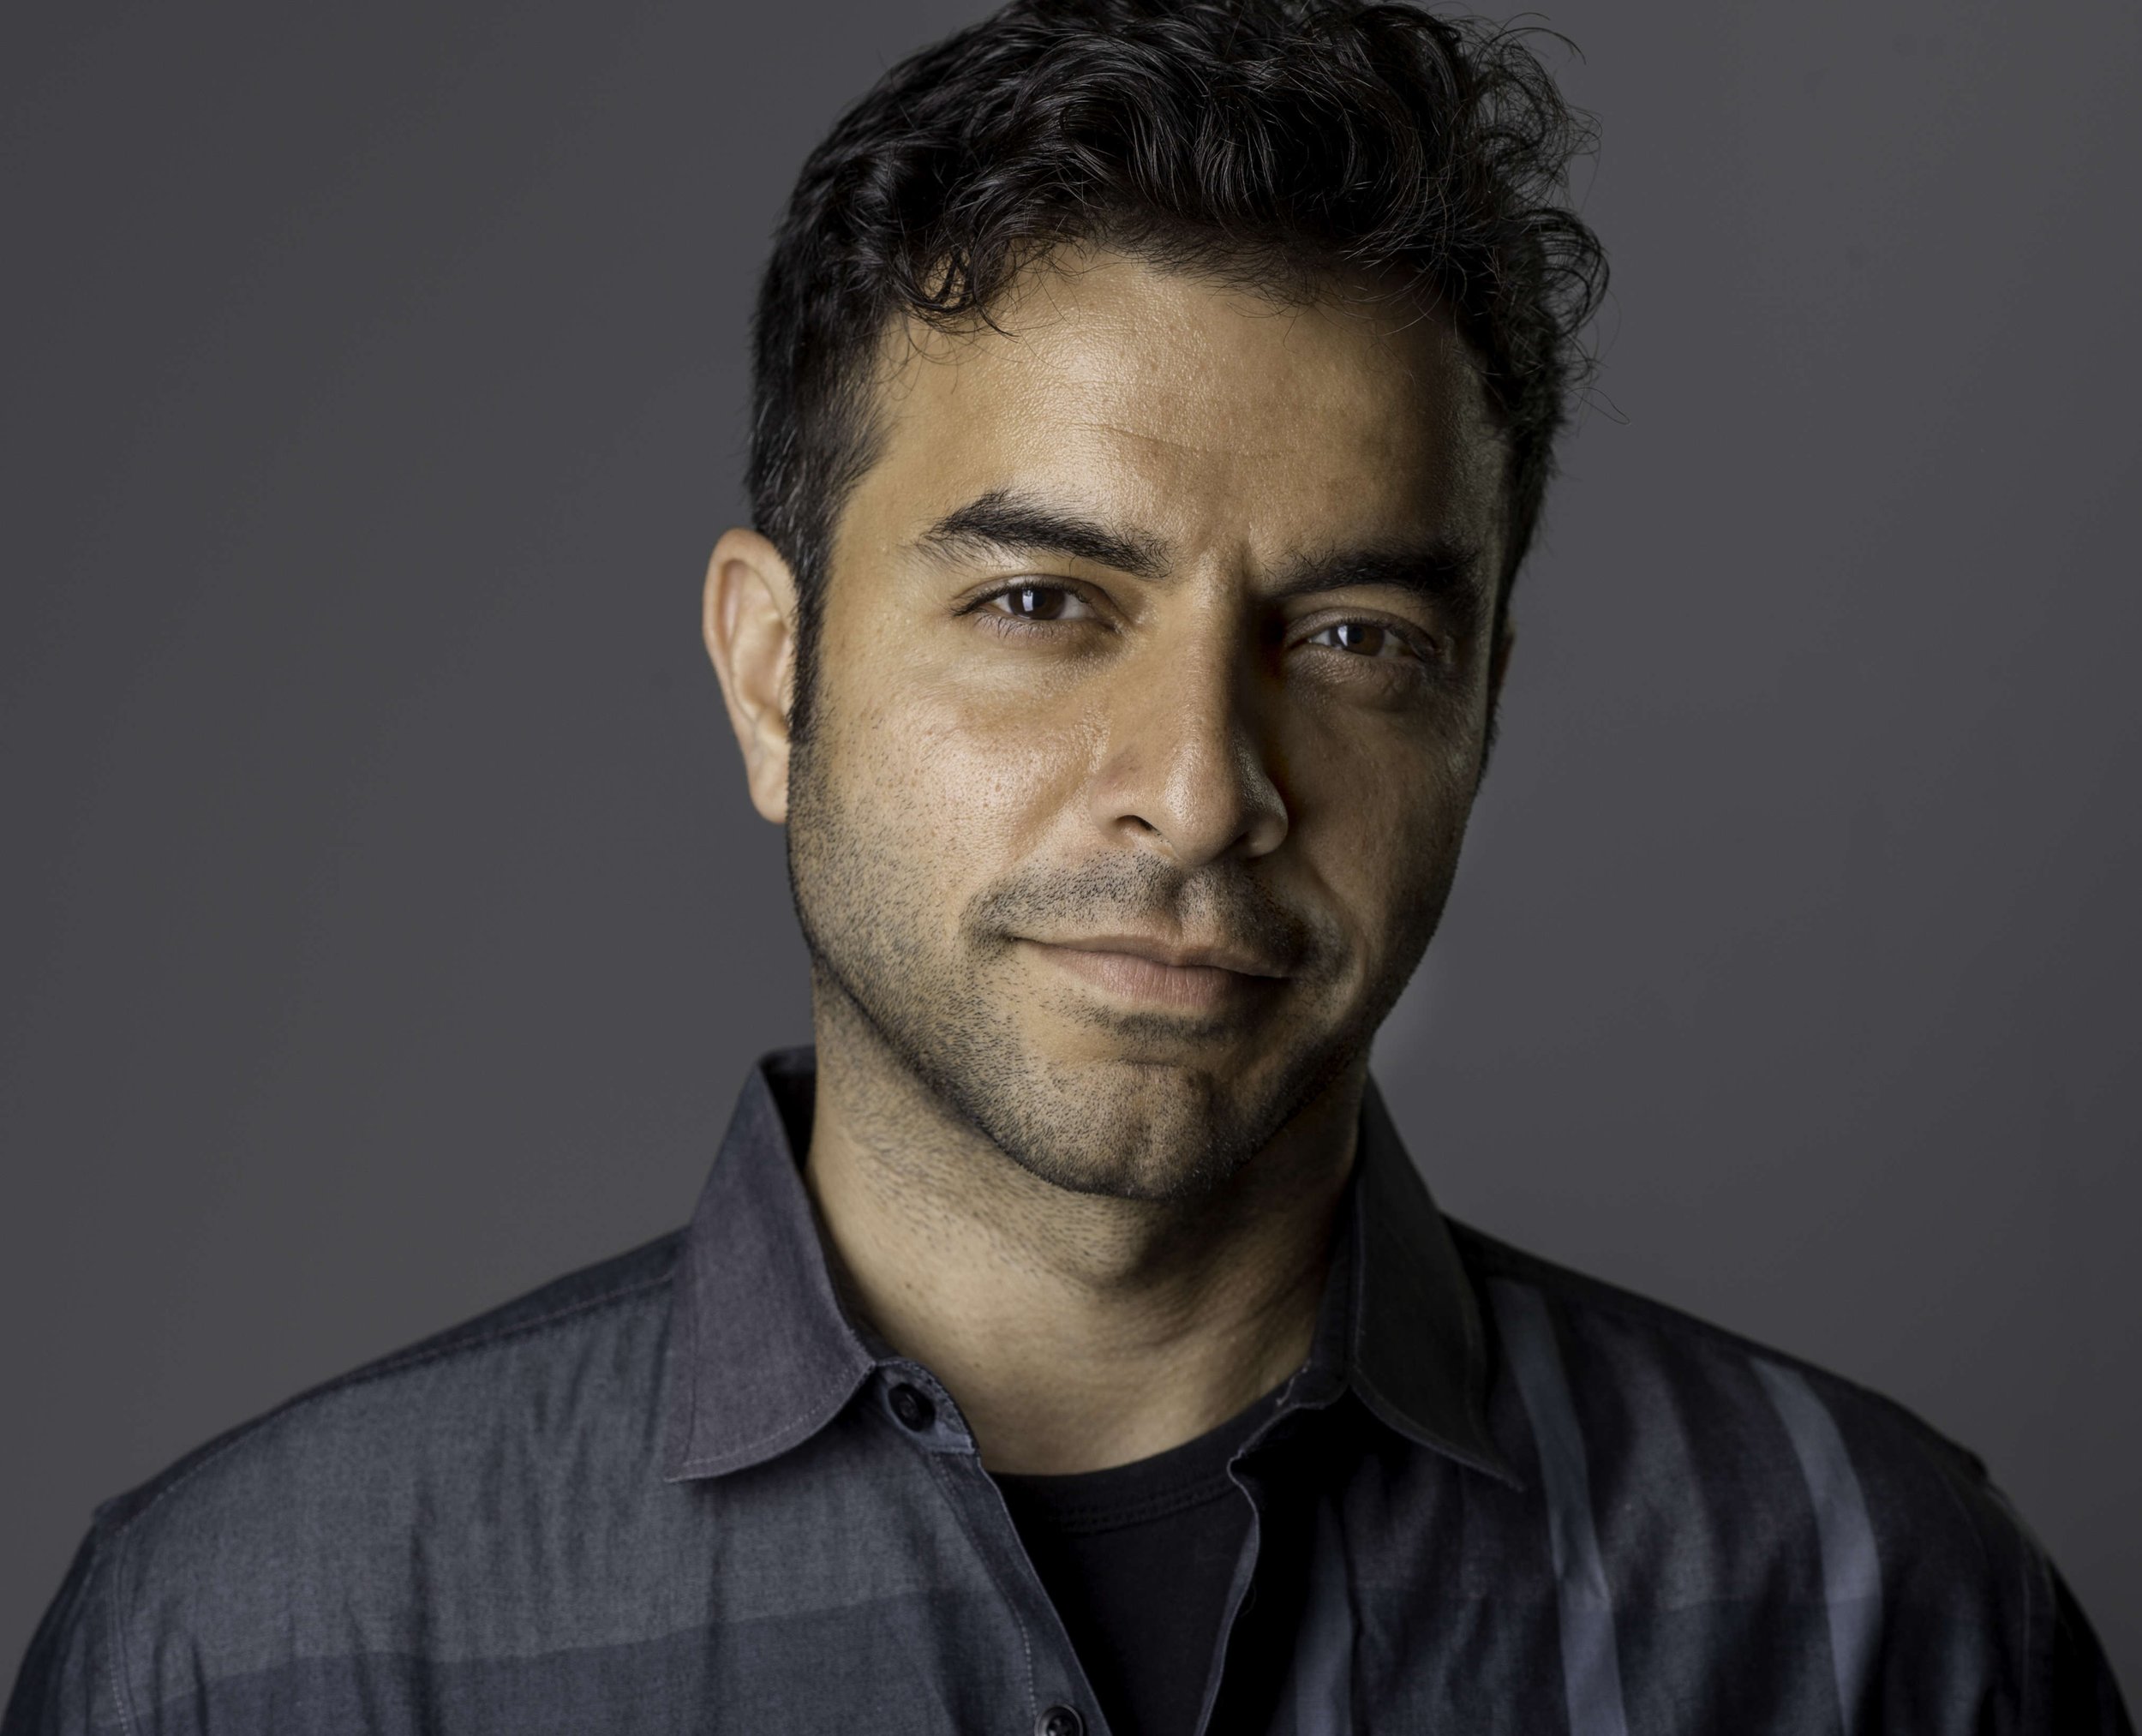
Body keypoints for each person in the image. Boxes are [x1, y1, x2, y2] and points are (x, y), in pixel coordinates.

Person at [6, 1, 2129, 1731]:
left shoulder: (1871, 1617)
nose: (1199, 790)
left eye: (1352, 639)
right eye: (1042, 601)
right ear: (773, 672)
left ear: (1478, 704)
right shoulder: (253, 1650)